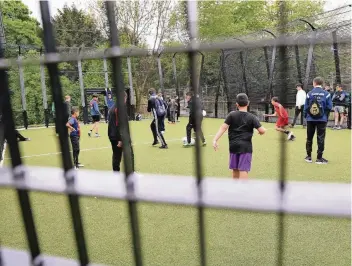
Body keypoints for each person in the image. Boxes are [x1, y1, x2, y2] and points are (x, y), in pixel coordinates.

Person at [213, 93, 266, 179]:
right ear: (248, 103)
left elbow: (223, 128)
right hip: (246, 147)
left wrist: (215, 140)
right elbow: (262, 130)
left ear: (236, 104)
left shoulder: (231, 115)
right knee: (243, 169)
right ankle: (243, 190)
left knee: (235, 169)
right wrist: (262, 131)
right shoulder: (252, 117)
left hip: (233, 146)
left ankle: (235, 189)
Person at [303, 77, 332, 164]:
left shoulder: (309, 93)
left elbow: (306, 107)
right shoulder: (326, 94)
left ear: (314, 83)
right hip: (322, 119)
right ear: (322, 83)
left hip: (310, 119)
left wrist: (306, 116)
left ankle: (308, 157)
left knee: (309, 137)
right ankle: (319, 158)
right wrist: (325, 116)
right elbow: (329, 107)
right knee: (321, 138)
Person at [108, 91, 135, 172]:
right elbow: (119, 124)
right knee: (130, 154)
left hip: (112, 135)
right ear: (124, 98)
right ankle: (131, 173)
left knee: (116, 155)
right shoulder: (119, 109)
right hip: (119, 136)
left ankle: (115, 174)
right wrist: (120, 139)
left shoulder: (113, 107)